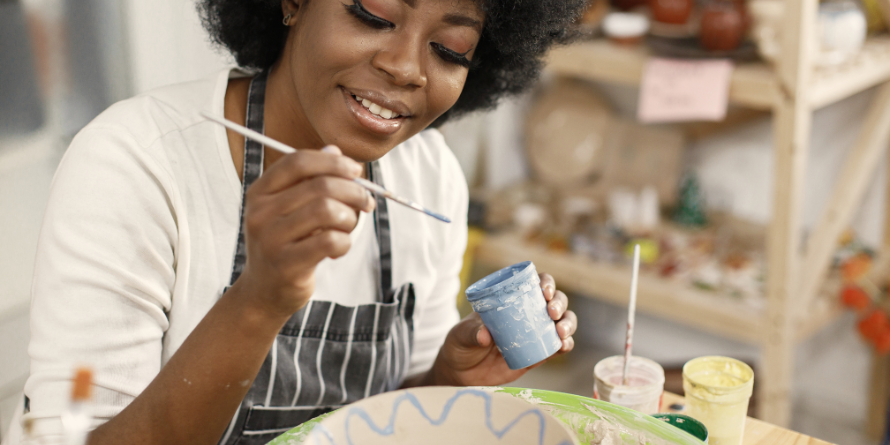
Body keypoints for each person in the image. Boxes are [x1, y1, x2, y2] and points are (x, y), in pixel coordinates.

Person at [11, 0, 587, 443]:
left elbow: (399, 417)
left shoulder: (428, 173)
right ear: (292, 1)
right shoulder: (134, 163)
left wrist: (450, 378)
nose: (405, 67)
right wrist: (260, 298)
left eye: (450, 49)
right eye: (375, 14)